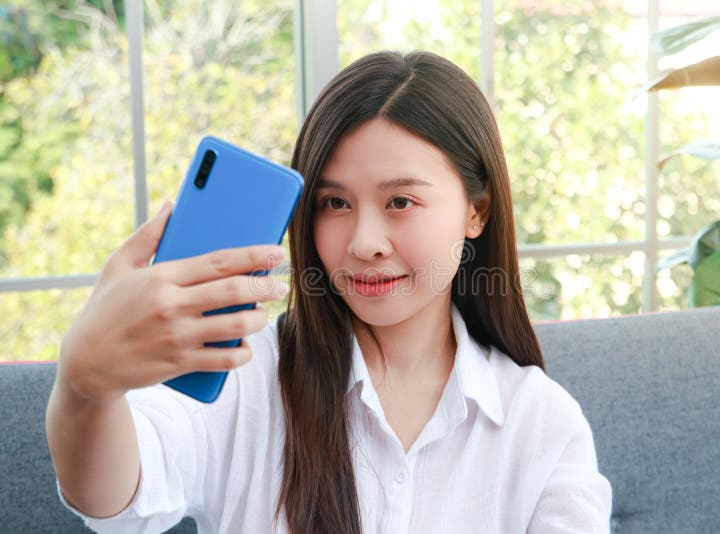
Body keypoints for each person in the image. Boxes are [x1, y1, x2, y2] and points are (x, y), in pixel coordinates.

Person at [47, 50, 612, 533]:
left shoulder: (540, 423)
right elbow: (114, 499)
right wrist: (84, 385)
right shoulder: (243, 376)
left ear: (477, 211)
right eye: (335, 203)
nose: (364, 243)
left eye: (400, 202)